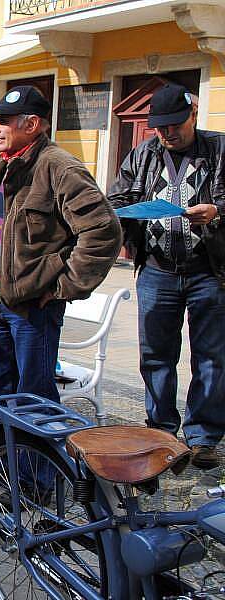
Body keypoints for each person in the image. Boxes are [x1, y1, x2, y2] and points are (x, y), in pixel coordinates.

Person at [0, 85, 121, 408]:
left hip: (32, 308)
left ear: (32, 124)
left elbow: (103, 231)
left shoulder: (60, 167)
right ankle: (3, 457)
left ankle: (35, 460)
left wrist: (64, 286)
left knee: (33, 402)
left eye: (4, 121)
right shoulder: (3, 161)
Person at [108, 83, 225, 469]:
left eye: (174, 124)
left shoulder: (220, 150)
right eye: (160, 127)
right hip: (157, 270)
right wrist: (133, 211)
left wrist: (217, 212)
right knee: (155, 355)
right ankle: (161, 430)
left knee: (211, 356)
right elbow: (116, 199)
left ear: (193, 114)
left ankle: (204, 435)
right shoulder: (143, 153)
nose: (167, 133)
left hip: (209, 271)